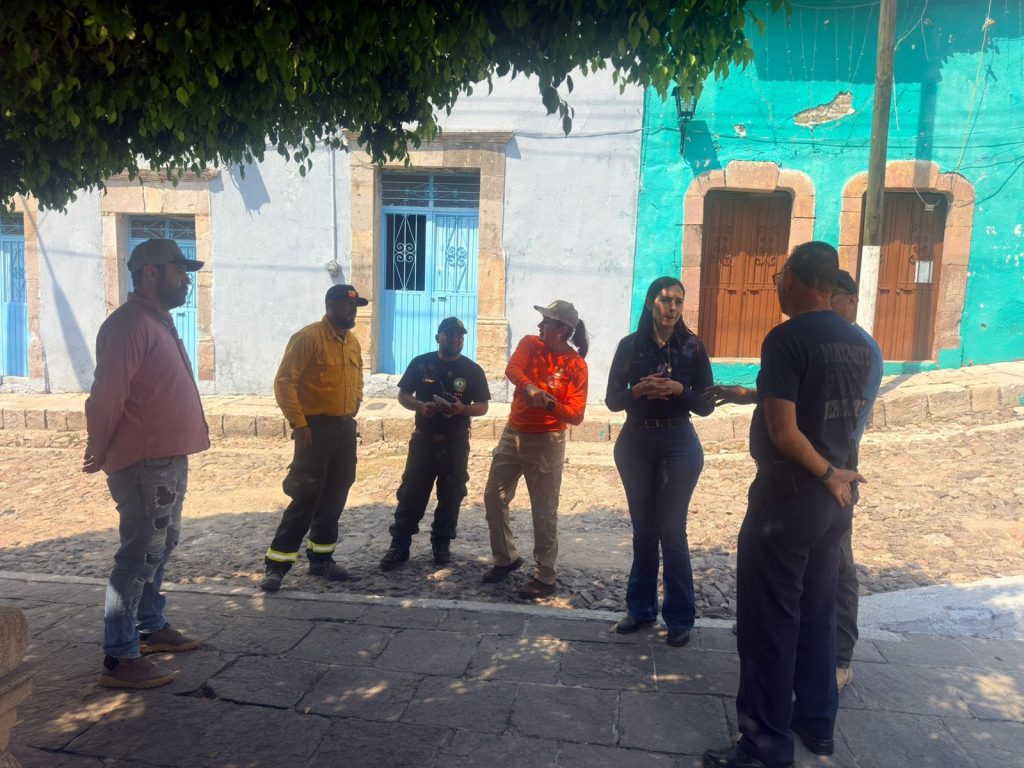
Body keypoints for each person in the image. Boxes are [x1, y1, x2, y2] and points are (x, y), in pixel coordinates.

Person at [702, 243, 872, 768]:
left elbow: (784, 431)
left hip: (791, 498)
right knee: (817, 613)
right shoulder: (860, 343)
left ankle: (763, 746)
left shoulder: (785, 337)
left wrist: (821, 470)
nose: (776, 283)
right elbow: (819, 401)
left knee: (768, 622)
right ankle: (817, 723)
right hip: (836, 499)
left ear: (798, 280)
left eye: (780, 274)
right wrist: (835, 474)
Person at [84, 239, 210, 689]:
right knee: (138, 555)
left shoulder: (157, 320)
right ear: (152, 273)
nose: (186, 279)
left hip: (167, 457)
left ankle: (150, 627)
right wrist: (99, 447)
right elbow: (107, 395)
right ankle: (119, 658)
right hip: (143, 463)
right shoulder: (129, 324)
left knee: (163, 544)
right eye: (179, 270)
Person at [605, 277, 715, 648]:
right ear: (651, 302)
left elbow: (706, 404)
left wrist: (679, 390)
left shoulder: (693, 347)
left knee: (672, 530)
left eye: (679, 302)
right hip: (635, 440)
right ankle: (640, 609)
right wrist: (637, 390)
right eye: (666, 300)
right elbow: (611, 401)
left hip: (677, 441)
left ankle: (680, 617)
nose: (672, 308)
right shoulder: (629, 347)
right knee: (644, 530)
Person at [260, 284, 367, 593]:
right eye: (348, 305)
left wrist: (355, 405)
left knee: (335, 495)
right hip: (314, 430)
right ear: (330, 305)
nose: (353, 310)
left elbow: (356, 380)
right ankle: (277, 565)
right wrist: (299, 423)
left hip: (344, 429)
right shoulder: (308, 338)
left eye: (356, 306)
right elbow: (285, 382)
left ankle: (322, 560)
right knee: (306, 496)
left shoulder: (353, 343)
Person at [482, 300, 589, 599]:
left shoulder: (575, 365)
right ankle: (506, 558)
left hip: (547, 440)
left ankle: (545, 576)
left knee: (544, 510)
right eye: (542, 321)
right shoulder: (531, 344)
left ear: (563, 331)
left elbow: (576, 415)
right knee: (493, 496)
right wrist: (529, 387)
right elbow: (512, 369)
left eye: (547, 322)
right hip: (513, 433)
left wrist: (550, 403)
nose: (540, 326)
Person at [379, 317, 491, 570]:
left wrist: (463, 409)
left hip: (456, 442)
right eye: (450, 335)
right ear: (438, 337)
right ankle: (399, 545)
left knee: (452, 494)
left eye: (460, 336)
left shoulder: (472, 370)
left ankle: (441, 543)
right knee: (412, 492)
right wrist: (420, 405)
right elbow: (403, 395)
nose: (455, 340)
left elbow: (483, 406)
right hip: (424, 441)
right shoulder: (421, 363)